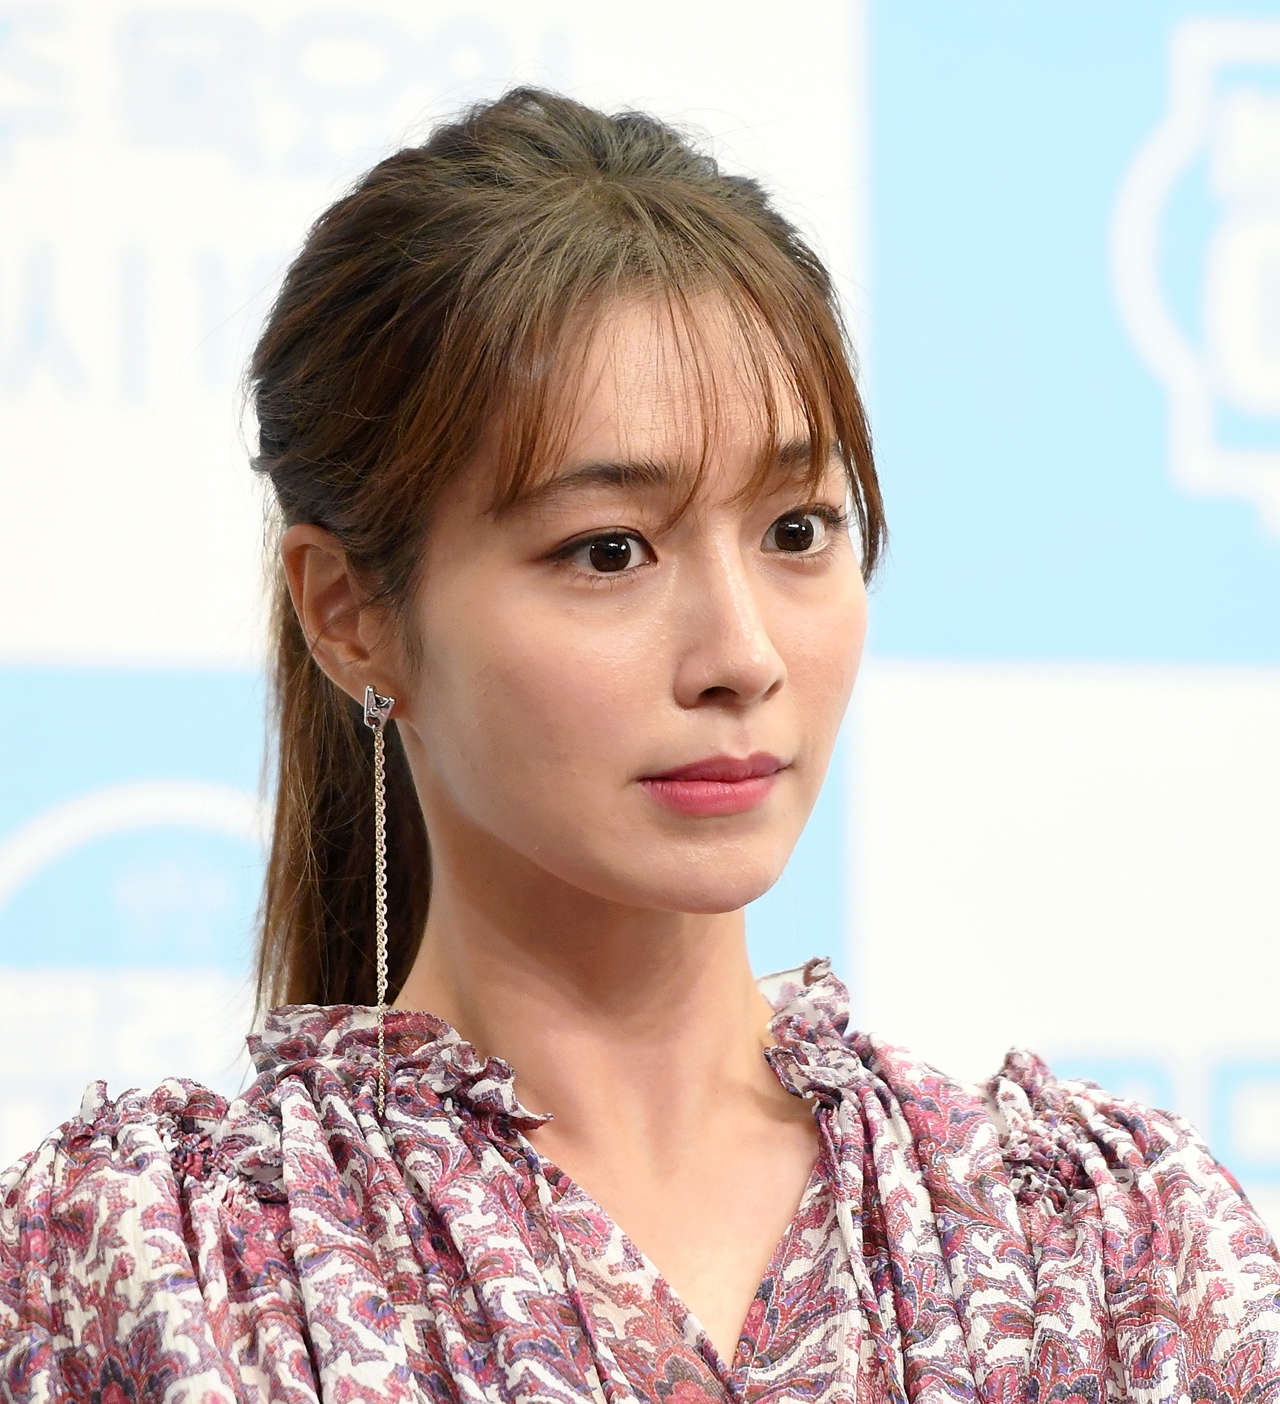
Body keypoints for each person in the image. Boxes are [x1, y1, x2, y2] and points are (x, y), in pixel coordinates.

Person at [2, 88, 1278, 1404]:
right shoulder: (160, 1280)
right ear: (350, 614)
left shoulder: (1107, 1255)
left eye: (797, 530)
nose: (743, 654)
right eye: (610, 551)